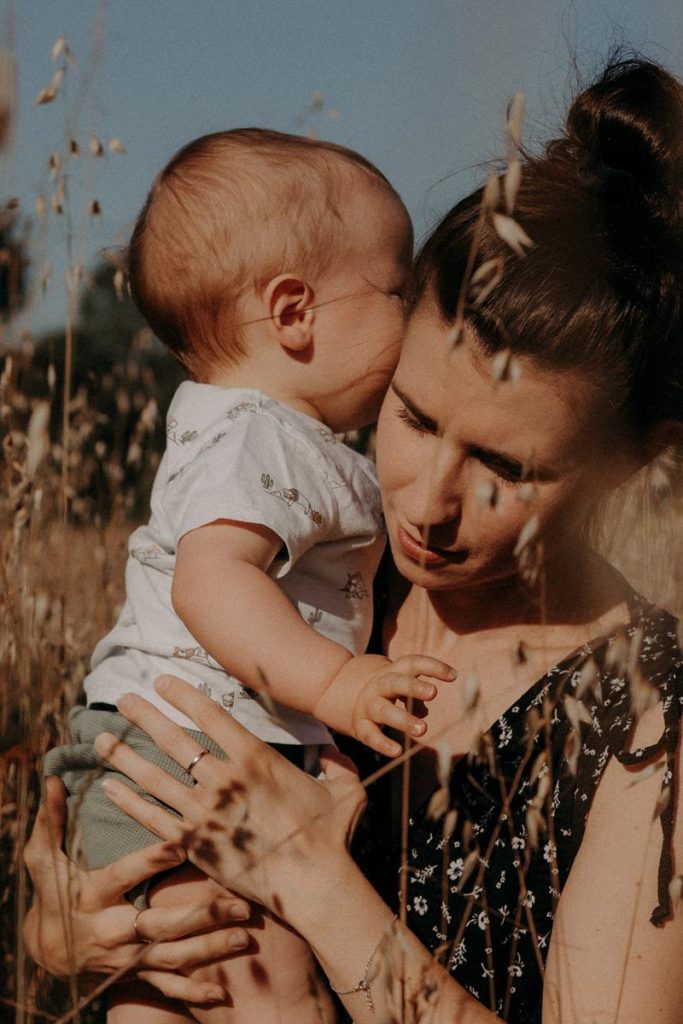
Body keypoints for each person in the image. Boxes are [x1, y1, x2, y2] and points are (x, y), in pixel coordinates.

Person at [26, 56, 683, 1023]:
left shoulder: (647, 725)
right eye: (410, 415)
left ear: (638, 462)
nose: (426, 502)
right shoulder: (313, 576)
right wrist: (71, 941)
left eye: (508, 468)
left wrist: (319, 888)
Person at [42, 128, 455, 1024]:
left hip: (168, 755)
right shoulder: (259, 436)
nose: (413, 310)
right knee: (269, 985)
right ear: (295, 310)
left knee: (169, 993)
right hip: (191, 752)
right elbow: (212, 583)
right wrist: (338, 683)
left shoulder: (247, 429)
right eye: (397, 288)